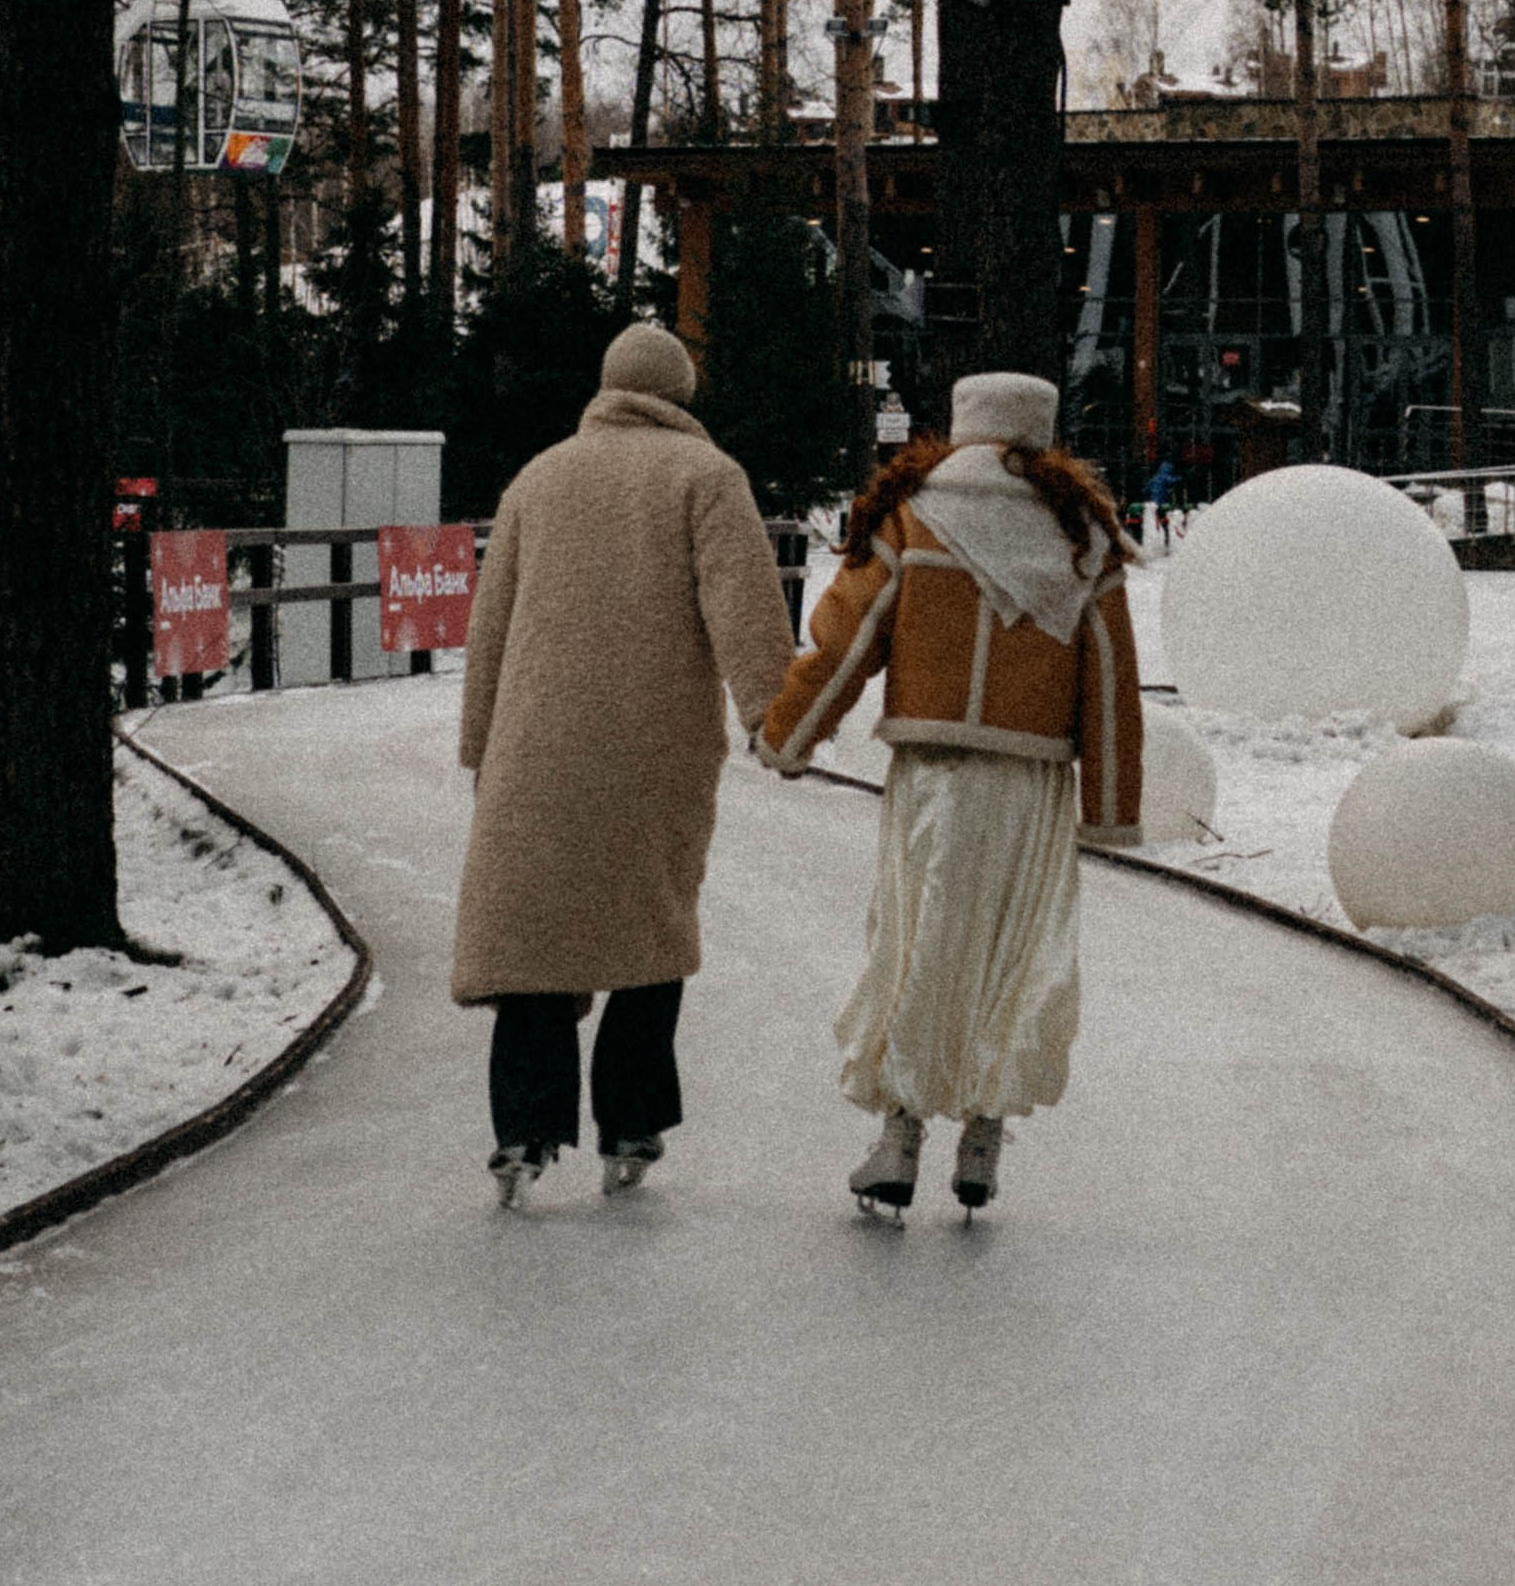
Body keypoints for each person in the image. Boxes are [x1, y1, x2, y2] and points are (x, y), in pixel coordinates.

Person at [757, 372, 1142, 1221]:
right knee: (1010, 956)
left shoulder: (912, 515)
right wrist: (1112, 806)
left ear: (960, 425)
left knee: (917, 944)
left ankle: (897, 1139)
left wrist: (789, 734)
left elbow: (845, 639)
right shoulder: (1082, 534)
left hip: (931, 772)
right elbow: (1112, 681)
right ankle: (982, 1140)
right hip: (1030, 782)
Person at [453, 323, 796, 1203]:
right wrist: (774, 718)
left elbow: (491, 624)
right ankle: (631, 1124)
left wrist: (479, 740)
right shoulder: (706, 478)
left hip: (534, 744)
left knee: (534, 937)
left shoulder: (539, 476)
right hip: (655, 747)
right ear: (680, 393)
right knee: (650, 928)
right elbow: (745, 608)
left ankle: (523, 1131)